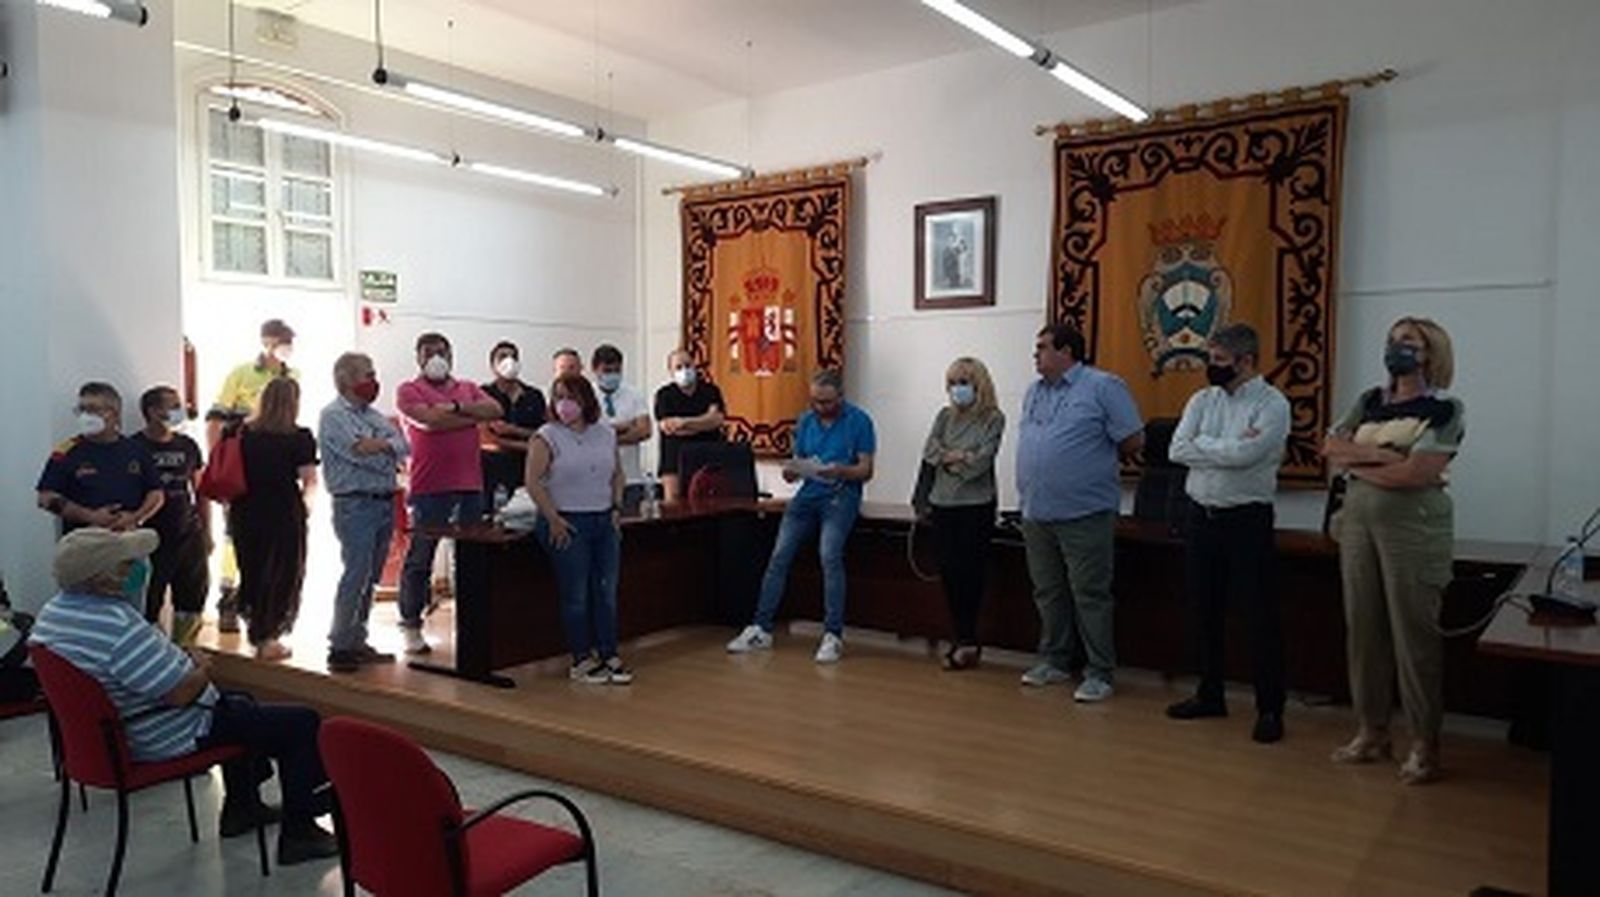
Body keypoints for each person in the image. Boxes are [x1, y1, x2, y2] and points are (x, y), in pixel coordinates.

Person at [29, 527, 339, 864]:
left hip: (110, 733)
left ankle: (243, 807)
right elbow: (180, 694)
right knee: (302, 723)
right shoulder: (116, 626)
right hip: (160, 731)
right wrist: (201, 667)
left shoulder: (53, 615)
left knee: (241, 703)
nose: (137, 568)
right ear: (102, 579)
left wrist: (179, 662)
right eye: (126, 564)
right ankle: (301, 832)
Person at [1322, 317, 1464, 785]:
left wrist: (1359, 462)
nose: (1396, 348)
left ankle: (1424, 744)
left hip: (1413, 530)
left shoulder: (1444, 408)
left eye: (1409, 342)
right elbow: (1330, 445)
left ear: (1430, 354)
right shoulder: (1369, 401)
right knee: (1363, 629)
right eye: (1392, 340)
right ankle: (1372, 732)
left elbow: (1418, 475)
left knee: (1413, 636)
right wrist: (1384, 457)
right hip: (1359, 524)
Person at [1165, 324, 1291, 743]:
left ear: (1246, 361)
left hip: (1247, 521)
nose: (1211, 368)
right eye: (1210, 359)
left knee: (1259, 616)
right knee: (1204, 609)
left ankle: (1270, 708)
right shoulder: (1202, 399)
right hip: (1201, 517)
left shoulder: (1273, 405)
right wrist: (1225, 448)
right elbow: (1176, 449)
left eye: (1219, 361)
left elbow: (1248, 456)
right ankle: (1210, 694)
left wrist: (1209, 447)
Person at [1016, 322, 1144, 703]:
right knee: (1048, 591)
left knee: (1090, 594)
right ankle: (1055, 660)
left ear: (1067, 352)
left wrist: (1087, 465)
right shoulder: (1033, 392)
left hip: (1085, 511)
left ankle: (1100, 672)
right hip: (1037, 511)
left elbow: (1133, 438)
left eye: (1042, 347)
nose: (1035, 354)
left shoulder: (1104, 386)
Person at [727, 370, 875, 664]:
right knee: (779, 555)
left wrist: (840, 470)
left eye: (826, 402)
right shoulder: (806, 421)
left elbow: (866, 470)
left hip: (840, 494)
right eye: (815, 401)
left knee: (829, 554)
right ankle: (761, 627)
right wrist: (791, 471)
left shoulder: (859, 421)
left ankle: (833, 634)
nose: (820, 407)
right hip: (808, 494)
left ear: (840, 397)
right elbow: (796, 465)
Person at [396, 333, 504, 655]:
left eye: (442, 352)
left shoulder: (467, 387)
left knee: (469, 559)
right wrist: (468, 416)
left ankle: (470, 623)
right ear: (418, 357)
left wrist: (455, 407)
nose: (436, 357)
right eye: (429, 353)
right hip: (430, 487)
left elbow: (494, 409)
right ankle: (411, 624)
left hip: (470, 484)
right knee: (421, 558)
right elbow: (428, 421)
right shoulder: (408, 389)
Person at [523, 374, 631, 684]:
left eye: (570, 397)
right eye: (558, 397)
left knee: (606, 590)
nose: (564, 404)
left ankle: (609, 653)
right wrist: (553, 518)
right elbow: (533, 481)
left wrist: (616, 507)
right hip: (567, 521)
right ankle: (581, 659)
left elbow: (617, 475)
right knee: (576, 594)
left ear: (586, 400)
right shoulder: (547, 436)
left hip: (603, 519)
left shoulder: (605, 433)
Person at [207, 318, 299, 634]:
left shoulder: (293, 376)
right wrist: (219, 469)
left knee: (279, 552)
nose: (288, 347)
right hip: (241, 470)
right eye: (282, 340)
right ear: (267, 342)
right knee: (237, 542)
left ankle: (270, 617)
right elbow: (215, 420)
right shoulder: (242, 373)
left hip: (277, 475)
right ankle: (229, 601)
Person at [318, 353, 408, 674]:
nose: (373, 380)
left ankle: (358, 638)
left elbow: (402, 444)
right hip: (354, 504)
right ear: (347, 380)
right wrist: (382, 446)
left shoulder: (373, 415)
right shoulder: (333, 415)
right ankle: (340, 644)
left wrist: (380, 444)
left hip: (383, 499)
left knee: (371, 576)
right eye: (367, 374)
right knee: (355, 572)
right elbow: (357, 450)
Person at [921, 357, 1004, 670]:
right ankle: (960, 637)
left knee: (971, 575)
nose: (958, 389)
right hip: (942, 504)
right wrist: (959, 456)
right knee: (949, 574)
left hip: (975, 506)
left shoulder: (993, 418)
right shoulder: (944, 416)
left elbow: (981, 463)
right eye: (953, 383)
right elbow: (930, 452)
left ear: (978, 384)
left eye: (964, 382)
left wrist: (951, 457)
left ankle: (968, 640)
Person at [227, 378, 317, 661]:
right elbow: (309, 481)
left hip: (245, 509)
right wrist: (306, 510)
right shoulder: (299, 437)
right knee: (283, 573)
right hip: (283, 511)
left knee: (252, 569)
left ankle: (254, 626)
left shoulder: (240, 432)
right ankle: (269, 636)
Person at [37, 382, 165, 542]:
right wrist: (91, 516)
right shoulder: (67, 452)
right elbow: (46, 498)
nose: (85, 415)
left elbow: (156, 493)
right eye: (81, 410)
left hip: (129, 542)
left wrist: (136, 517)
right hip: (85, 545)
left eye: (92, 409)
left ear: (115, 413)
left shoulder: (136, 450)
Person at [133, 386, 211, 646]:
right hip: (149, 537)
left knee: (192, 597)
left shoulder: (187, 445)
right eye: (173, 405)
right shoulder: (133, 447)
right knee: (149, 599)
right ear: (154, 412)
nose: (180, 410)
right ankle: (152, 655)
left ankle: (186, 652)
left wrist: (206, 531)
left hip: (188, 533)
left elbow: (201, 490)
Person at [653, 349, 726, 501]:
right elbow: (670, 428)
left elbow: (717, 420)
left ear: (694, 365)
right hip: (674, 463)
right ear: (670, 371)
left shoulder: (710, 390)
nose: (684, 370)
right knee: (674, 511)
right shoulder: (664, 395)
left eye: (687, 365)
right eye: (678, 367)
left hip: (707, 460)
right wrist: (704, 422)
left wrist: (684, 422)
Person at [480, 341, 547, 503]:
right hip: (492, 470)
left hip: (529, 469)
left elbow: (545, 434)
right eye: (503, 357)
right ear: (493, 365)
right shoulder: (483, 394)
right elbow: (485, 437)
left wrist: (513, 430)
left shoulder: (534, 395)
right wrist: (529, 445)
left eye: (513, 357)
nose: (509, 361)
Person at [591, 343, 653, 505]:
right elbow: (587, 432)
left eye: (617, 370)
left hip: (630, 479)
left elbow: (645, 430)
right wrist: (625, 426)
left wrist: (607, 436)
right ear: (595, 370)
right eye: (607, 371)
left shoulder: (634, 394)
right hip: (596, 480)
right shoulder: (587, 396)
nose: (613, 375)